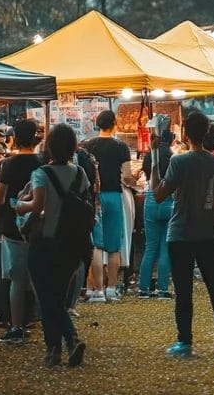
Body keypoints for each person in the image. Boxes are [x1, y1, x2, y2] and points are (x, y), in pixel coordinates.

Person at [150, 111, 214, 358]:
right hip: (208, 233)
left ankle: (185, 341)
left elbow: (158, 194)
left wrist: (155, 157)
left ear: (185, 133)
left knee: (184, 291)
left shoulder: (179, 162)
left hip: (180, 234)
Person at [15, 124, 92, 368]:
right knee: (56, 297)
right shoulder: (81, 173)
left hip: (45, 241)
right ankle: (61, 346)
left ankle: (61, 344)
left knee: (47, 299)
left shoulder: (42, 173)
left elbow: (37, 206)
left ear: (48, 146)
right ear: (73, 148)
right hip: (73, 243)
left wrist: (20, 205)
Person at [0, 119, 43, 344]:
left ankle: (16, 325)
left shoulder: (8, 164)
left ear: (14, 137)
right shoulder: (42, 162)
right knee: (37, 276)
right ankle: (40, 319)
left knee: (16, 278)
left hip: (13, 227)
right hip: (38, 224)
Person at [83, 110, 136, 302]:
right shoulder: (121, 146)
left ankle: (97, 291)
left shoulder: (88, 146)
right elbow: (128, 175)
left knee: (97, 245)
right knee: (114, 245)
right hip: (114, 195)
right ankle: (112, 289)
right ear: (114, 124)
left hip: (95, 198)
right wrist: (133, 182)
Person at [138, 131, 174, 299]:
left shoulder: (148, 156)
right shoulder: (173, 157)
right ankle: (162, 289)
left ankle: (143, 288)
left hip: (151, 199)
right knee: (165, 248)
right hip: (168, 199)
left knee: (150, 247)